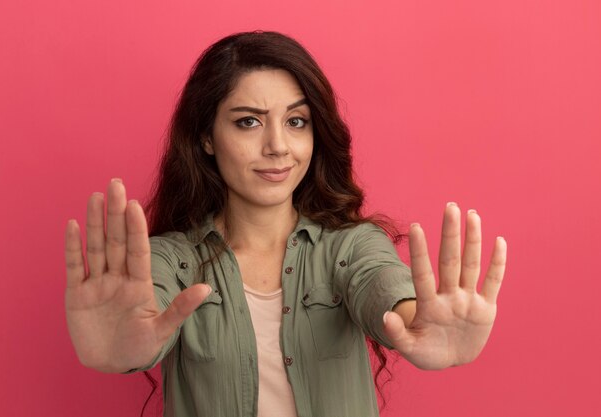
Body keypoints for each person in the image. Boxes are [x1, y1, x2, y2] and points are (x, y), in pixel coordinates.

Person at [64, 31, 507, 417]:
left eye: (296, 121)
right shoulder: (170, 260)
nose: (278, 146)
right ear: (206, 138)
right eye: (248, 122)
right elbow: (144, 316)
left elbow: (383, 285)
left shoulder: (350, 247)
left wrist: (420, 323)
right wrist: (123, 349)